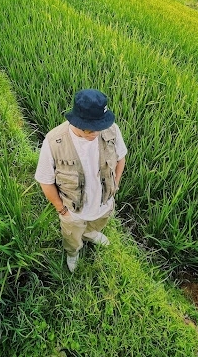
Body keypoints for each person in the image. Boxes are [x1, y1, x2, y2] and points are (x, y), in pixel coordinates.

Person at [35, 89, 127, 272]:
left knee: (97, 223)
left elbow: (120, 158)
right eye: (91, 128)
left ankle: (91, 234)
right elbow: (45, 181)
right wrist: (62, 209)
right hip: (73, 210)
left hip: (103, 203)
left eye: (100, 125)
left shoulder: (111, 130)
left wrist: (115, 184)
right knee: (72, 237)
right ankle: (73, 253)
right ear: (77, 120)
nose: (96, 132)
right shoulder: (54, 141)